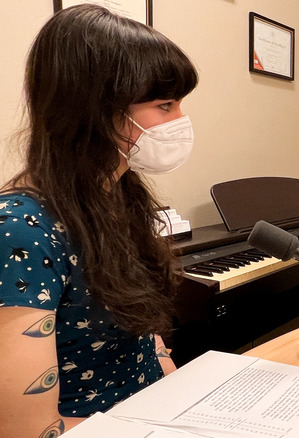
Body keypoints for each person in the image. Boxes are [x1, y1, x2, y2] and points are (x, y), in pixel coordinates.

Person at [0, 5, 198, 437]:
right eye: (165, 106)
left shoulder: (118, 195)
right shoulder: (20, 230)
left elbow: (142, 329)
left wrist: (173, 383)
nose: (181, 123)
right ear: (94, 109)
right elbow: (28, 430)